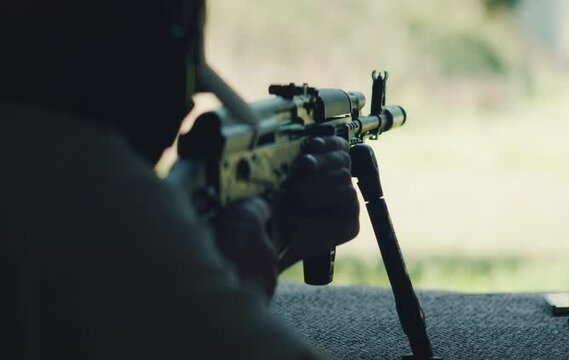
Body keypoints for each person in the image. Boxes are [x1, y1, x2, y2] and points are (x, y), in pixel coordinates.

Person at [1, 1, 359, 359]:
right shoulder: (88, 182)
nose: (187, 107)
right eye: (183, 84)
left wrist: (282, 244)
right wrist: (246, 285)